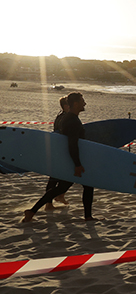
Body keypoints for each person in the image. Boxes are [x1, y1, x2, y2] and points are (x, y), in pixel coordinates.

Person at [23, 92, 96, 222]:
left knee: (62, 188)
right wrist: (77, 164)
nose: (85, 103)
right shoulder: (72, 120)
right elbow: (72, 144)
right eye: (82, 101)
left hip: (68, 159)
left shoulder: (67, 118)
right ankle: (88, 217)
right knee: (86, 186)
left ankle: (32, 211)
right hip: (71, 160)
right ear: (75, 104)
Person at [44, 96, 70, 210]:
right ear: (65, 106)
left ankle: (59, 196)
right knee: (55, 178)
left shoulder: (60, 116)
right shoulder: (65, 118)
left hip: (58, 150)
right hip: (61, 150)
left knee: (57, 177)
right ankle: (49, 203)